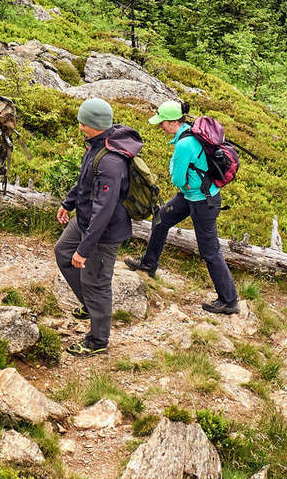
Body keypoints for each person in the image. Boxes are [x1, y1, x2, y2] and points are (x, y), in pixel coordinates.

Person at [125, 100, 239, 315]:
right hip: (191, 196)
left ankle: (229, 300)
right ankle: (149, 264)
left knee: (210, 250)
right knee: (161, 219)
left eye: (162, 123)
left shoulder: (184, 144)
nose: (160, 127)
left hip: (203, 201)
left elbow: (176, 178)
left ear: (172, 122)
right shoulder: (189, 133)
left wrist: (175, 170)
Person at [56, 98, 141, 356]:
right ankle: (89, 305)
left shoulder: (111, 161)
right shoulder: (96, 145)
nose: (80, 126)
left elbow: (103, 211)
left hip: (103, 233)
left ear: (96, 124)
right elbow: (84, 181)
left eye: (84, 122)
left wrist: (84, 248)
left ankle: (97, 340)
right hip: (84, 220)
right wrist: (68, 203)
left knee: (96, 283)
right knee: (62, 253)